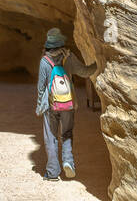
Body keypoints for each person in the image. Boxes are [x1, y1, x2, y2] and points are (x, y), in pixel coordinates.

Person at [36, 28, 96, 181]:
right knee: (67, 133)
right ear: (61, 42)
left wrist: (39, 106)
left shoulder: (44, 61)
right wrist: (98, 64)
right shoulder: (69, 57)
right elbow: (84, 72)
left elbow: (41, 87)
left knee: (51, 137)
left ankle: (52, 172)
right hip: (67, 104)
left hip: (50, 105)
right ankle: (68, 162)